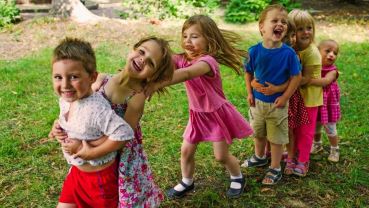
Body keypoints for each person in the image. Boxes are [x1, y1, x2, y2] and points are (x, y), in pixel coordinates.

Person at [50, 36, 175, 207]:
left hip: (110, 157)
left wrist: (87, 149)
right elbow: (79, 107)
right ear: (132, 49)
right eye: (141, 52)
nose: (142, 59)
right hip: (84, 163)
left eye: (151, 63)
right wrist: (61, 126)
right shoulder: (101, 79)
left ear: (154, 75)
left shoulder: (135, 98)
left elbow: (124, 138)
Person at [146, 15, 253, 198]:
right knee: (186, 151)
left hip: (217, 116)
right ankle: (187, 181)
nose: (188, 40)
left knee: (221, 156)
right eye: (185, 35)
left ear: (209, 40)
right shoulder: (181, 59)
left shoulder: (207, 62)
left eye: (195, 36)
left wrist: (157, 84)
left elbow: (187, 73)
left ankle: (237, 177)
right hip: (197, 115)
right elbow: (163, 60)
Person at [51, 37, 134, 208]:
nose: (65, 85)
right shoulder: (66, 100)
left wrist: (91, 153)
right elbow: (71, 120)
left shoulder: (96, 109)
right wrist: (58, 127)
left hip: (99, 180)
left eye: (74, 77)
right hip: (76, 174)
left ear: (92, 77)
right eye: (58, 77)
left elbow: (124, 134)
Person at [242, 4, 302, 185]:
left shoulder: (289, 54)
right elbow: (248, 72)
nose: (280, 24)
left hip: (277, 104)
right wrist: (249, 93)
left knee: (276, 139)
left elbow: (296, 77)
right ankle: (259, 156)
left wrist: (285, 97)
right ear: (261, 26)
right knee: (258, 133)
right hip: (257, 103)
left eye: (283, 22)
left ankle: (275, 167)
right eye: (274, 21)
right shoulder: (253, 51)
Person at [288, 9, 323, 176]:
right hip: (295, 98)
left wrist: (285, 84)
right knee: (294, 128)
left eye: (309, 28)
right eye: (300, 29)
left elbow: (307, 78)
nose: (306, 32)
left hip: (309, 97)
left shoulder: (312, 52)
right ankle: (293, 155)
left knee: (305, 131)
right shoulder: (290, 49)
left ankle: (303, 160)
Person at [310, 39, 341, 162]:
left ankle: (335, 149)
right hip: (316, 101)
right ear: (317, 52)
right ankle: (317, 144)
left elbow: (325, 82)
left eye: (335, 53)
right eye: (327, 51)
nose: (331, 54)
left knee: (330, 127)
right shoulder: (315, 67)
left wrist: (307, 80)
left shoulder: (332, 71)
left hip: (327, 104)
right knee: (316, 126)